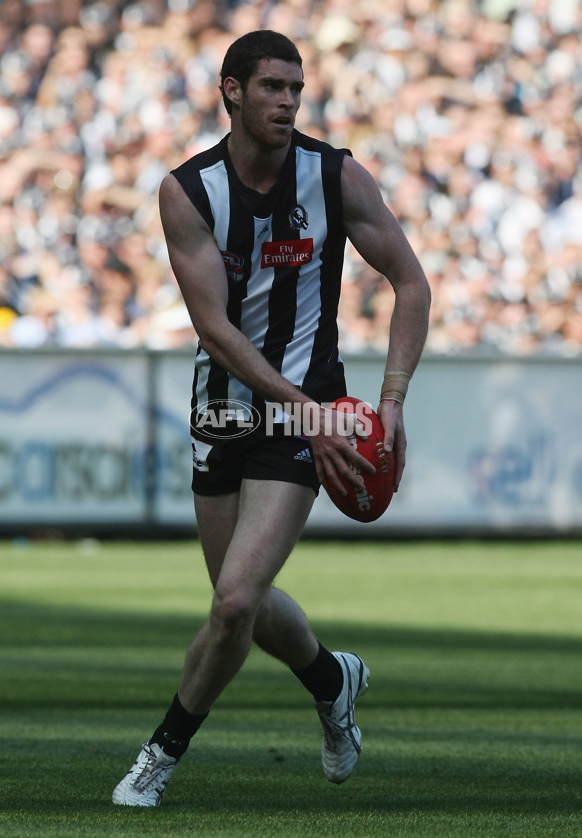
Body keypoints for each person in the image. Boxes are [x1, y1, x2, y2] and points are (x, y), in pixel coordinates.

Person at [112, 30, 431, 807]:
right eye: (271, 88)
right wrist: (311, 414)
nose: (288, 101)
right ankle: (332, 678)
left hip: (306, 409)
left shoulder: (334, 174)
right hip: (223, 404)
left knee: (230, 604)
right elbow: (215, 329)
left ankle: (158, 756)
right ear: (231, 92)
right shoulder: (188, 190)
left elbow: (411, 284)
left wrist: (384, 407)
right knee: (241, 601)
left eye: (295, 87)